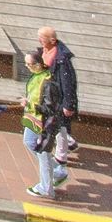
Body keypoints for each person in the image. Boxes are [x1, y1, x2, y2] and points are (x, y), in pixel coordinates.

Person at [21, 48, 69, 199]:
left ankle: (46, 188)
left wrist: (31, 106)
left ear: (38, 64)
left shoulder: (48, 82)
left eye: (30, 64)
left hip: (44, 122)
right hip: (33, 118)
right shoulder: (37, 76)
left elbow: (49, 108)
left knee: (42, 152)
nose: (27, 67)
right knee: (30, 142)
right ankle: (57, 172)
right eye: (26, 64)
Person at [39, 26, 80, 162]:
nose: (40, 41)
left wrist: (68, 104)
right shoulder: (44, 52)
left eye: (42, 38)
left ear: (52, 40)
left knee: (59, 127)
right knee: (54, 125)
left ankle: (61, 157)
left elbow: (68, 83)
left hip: (59, 100)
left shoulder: (62, 60)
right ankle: (69, 142)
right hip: (49, 97)